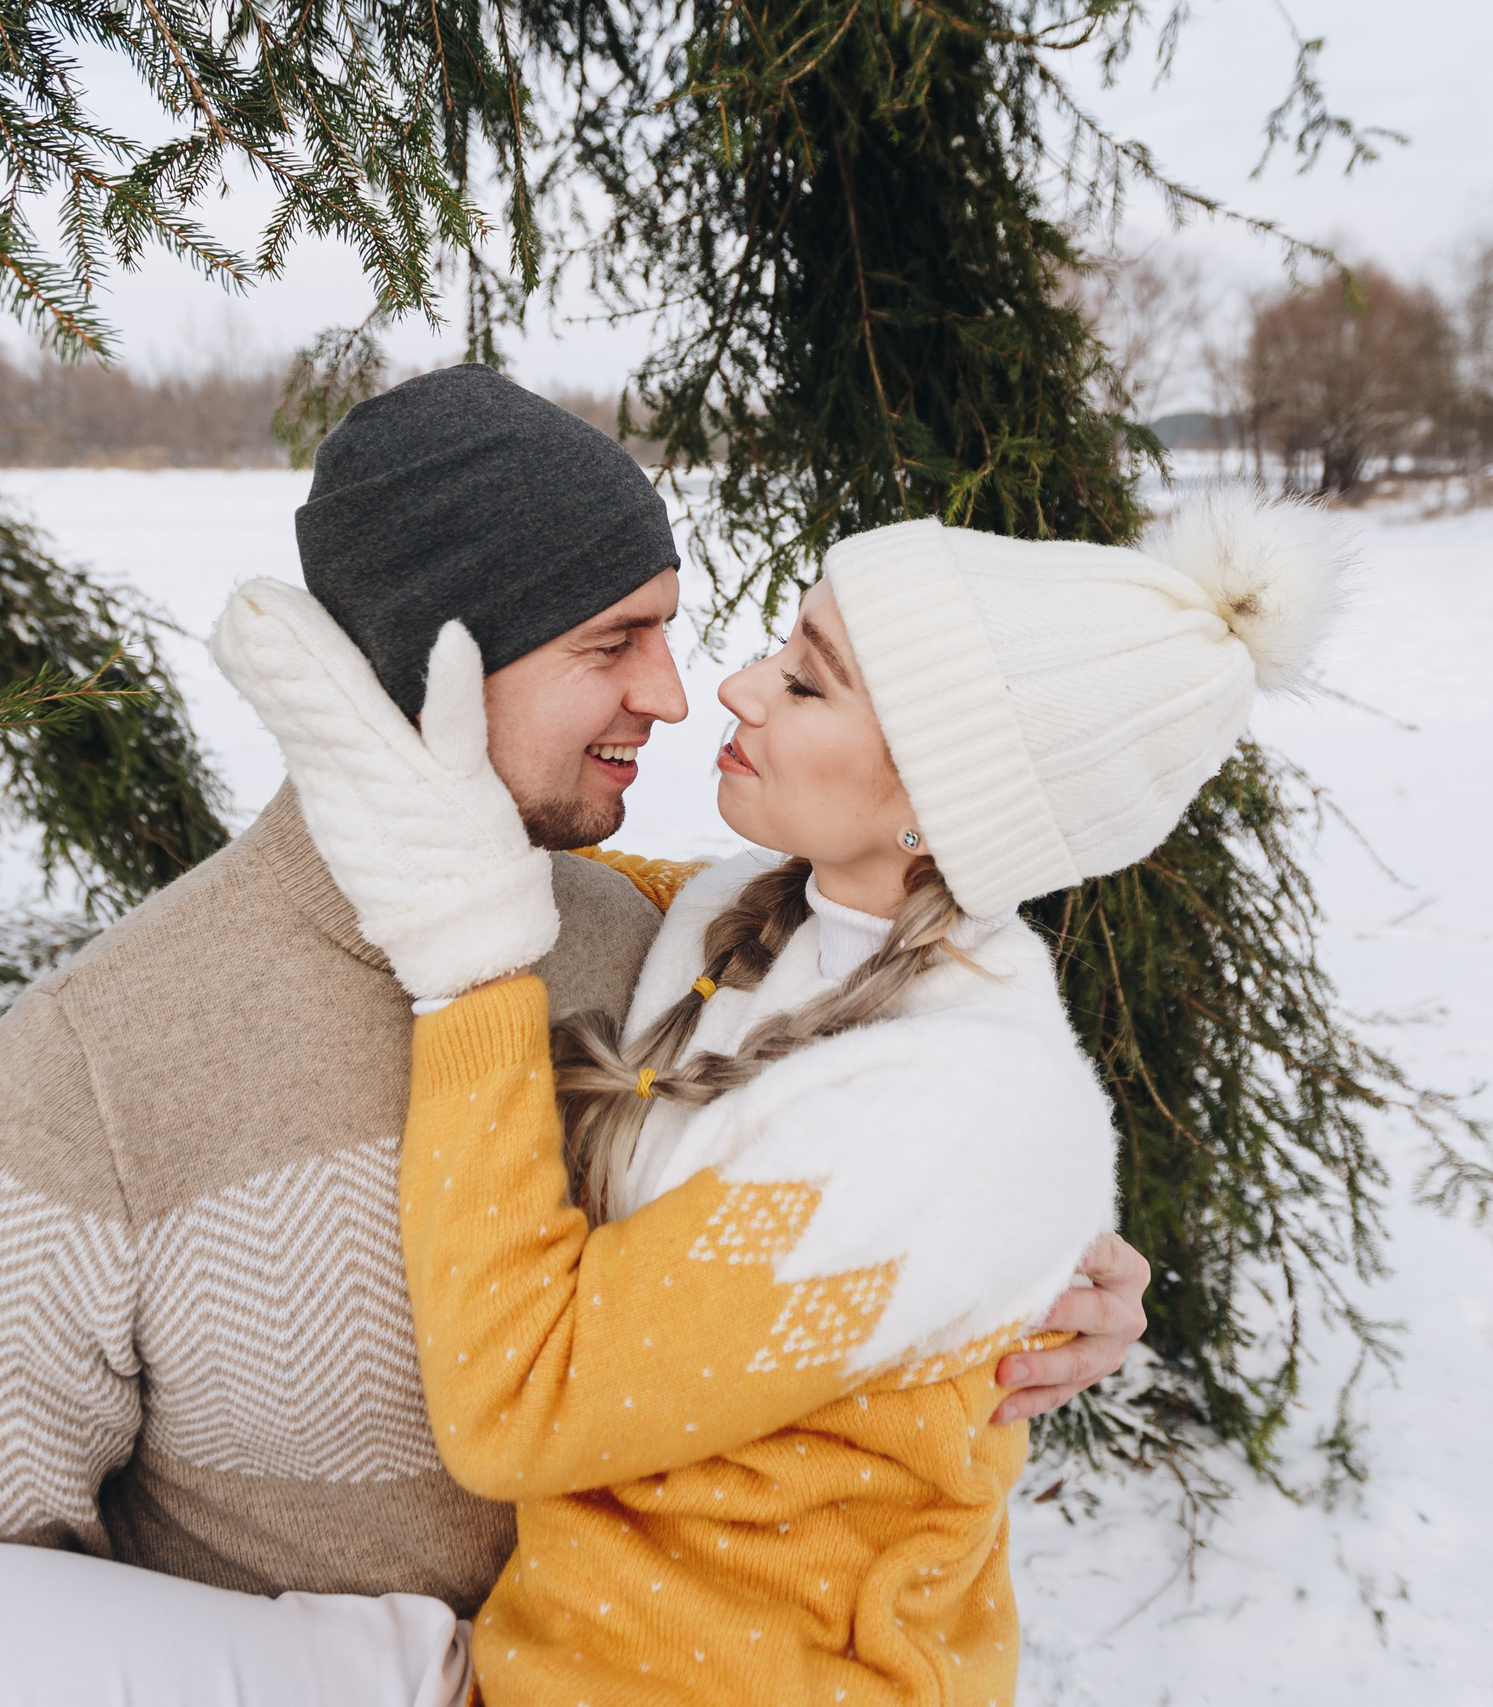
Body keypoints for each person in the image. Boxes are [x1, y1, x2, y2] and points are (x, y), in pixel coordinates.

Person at [0, 366, 1148, 1707]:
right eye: (610, 641)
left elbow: (840, 1178)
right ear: (440, 662)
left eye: (676, 627)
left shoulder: (644, 940)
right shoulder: (84, 1089)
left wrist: (1024, 1269)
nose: (676, 689)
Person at [213, 487, 1349, 1704]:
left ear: (942, 800)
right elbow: (563, 880)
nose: (738, 688)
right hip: (542, 1654)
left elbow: (518, 1407)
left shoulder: (958, 1113)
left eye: (807, 683)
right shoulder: (758, 910)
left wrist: (468, 963)